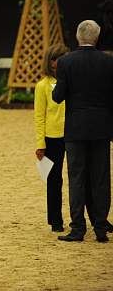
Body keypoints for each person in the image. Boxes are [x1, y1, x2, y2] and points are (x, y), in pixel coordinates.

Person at [53, 20, 113, 243]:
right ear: (96, 38)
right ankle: (100, 228)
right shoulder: (108, 62)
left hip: (76, 129)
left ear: (78, 37)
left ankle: (78, 228)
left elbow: (58, 96)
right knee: (100, 178)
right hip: (101, 128)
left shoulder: (66, 62)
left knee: (76, 177)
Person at [34, 44, 68, 232]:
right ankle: (56, 221)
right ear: (50, 63)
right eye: (55, 62)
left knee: (80, 177)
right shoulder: (42, 86)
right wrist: (41, 144)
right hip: (52, 137)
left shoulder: (73, 82)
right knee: (54, 180)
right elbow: (39, 116)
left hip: (73, 134)